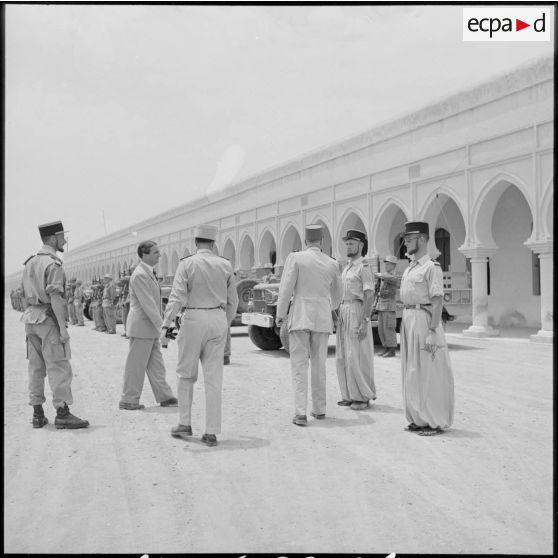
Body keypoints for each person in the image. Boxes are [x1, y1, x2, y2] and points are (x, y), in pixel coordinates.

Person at [161, 224, 238, 447]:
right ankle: (211, 432)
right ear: (214, 243)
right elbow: (233, 301)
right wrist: (225, 321)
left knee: (186, 374)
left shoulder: (187, 264)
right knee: (213, 378)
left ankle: (185, 422)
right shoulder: (225, 264)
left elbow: (176, 297)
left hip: (193, 318)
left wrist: (166, 326)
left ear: (195, 243)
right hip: (217, 318)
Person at [19, 220, 89, 429]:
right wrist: (63, 328)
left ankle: (38, 413)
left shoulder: (30, 262)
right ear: (52, 239)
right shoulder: (53, 264)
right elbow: (56, 298)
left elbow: (24, 294)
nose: (64, 240)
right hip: (48, 319)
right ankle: (62, 412)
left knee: (35, 367)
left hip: (31, 319)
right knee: (58, 366)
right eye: (61, 237)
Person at [276, 224, 342, 426]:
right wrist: (328, 305)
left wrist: (281, 314)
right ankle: (320, 409)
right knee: (319, 365)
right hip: (322, 318)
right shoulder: (332, 263)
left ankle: (300, 412)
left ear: (306, 241)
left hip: (301, 317)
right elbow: (339, 295)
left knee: (299, 365)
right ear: (321, 241)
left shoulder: (296, 258)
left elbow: (286, 288)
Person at [399, 221, 455, 436]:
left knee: (428, 371)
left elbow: (437, 301)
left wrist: (433, 331)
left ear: (422, 239)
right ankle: (417, 417)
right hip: (409, 319)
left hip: (424, 320)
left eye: (409, 239)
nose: (405, 242)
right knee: (412, 370)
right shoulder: (412, 266)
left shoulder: (431, 267)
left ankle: (433, 420)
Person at [119, 241, 178, 411]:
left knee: (156, 365)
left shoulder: (147, 273)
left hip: (149, 328)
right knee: (136, 365)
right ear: (144, 255)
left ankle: (165, 396)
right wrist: (164, 327)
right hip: (142, 327)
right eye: (155, 252)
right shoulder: (140, 275)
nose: (159, 255)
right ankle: (128, 399)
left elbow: (155, 297)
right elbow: (148, 305)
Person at [336, 229, 377, 411]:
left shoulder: (364, 267)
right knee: (343, 355)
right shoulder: (347, 267)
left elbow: (369, 295)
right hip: (344, 310)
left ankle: (362, 396)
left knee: (357, 356)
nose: (348, 246)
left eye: (351, 243)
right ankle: (349, 394)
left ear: (360, 245)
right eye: (347, 243)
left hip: (356, 309)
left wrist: (365, 320)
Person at [374, 255, 401, 358]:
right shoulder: (384, 276)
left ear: (393, 265)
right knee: (382, 329)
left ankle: (392, 350)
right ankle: (386, 348)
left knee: (389, 329)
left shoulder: (393, 276)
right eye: (385, 263)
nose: (386, 265)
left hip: (389, 307)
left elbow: (393, 280)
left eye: (388, 264)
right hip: (381, 306)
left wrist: (380, 275)